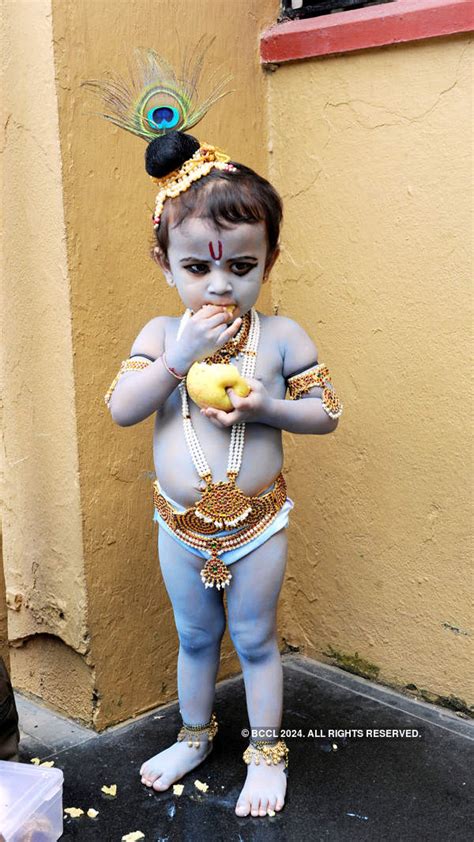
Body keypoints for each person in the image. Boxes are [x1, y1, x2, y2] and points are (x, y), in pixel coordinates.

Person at [89, 47, 343, 818]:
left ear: (268, 258)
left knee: (257, 640)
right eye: (199, 266)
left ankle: (268, 756)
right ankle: (195, 736)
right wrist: (179, 358)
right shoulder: (163, 333)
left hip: (258, 525)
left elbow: (326, 413)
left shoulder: (283, 337)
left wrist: (268, 406)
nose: (221, 284)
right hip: (180, 524)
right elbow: (123, 408)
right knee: (195, 639)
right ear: (164, 262)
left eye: (241, 264)